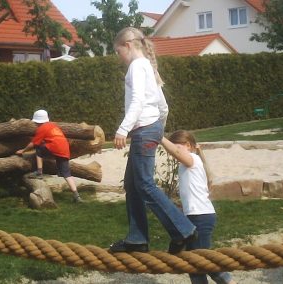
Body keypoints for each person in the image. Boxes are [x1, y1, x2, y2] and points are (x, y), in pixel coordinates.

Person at [109, 27, 197, 254]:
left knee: (145, 184)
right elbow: (163, 105)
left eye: (118, 52)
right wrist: (159, 128)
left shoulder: (136, 67)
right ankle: (137, 239)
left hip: (143, 130)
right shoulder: (148, 66)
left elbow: (138, 101)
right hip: (151, 128)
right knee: (132, 183)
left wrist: (123, 129)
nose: (119, 58)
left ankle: (183, 230)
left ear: (127, 45)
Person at [161, 130, 236, 284]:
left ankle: (228, 281)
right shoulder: (186, 164)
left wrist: (159, 136)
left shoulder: (193, 159)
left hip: (201, 217)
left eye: (177, 148)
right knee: (195, 263)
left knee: (202, 261)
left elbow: (176, 152)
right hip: (195, 216)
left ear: (188, 146)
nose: (174, 153)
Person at [16, 109, 83, 203]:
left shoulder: (42, 128)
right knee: (67, 174)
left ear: (37, 121)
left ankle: (39, 172)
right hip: (65, 150)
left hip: (55, 148)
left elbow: (33, 143)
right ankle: (77, 196)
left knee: (38, 147)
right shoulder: (53, 126)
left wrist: (23, 150)